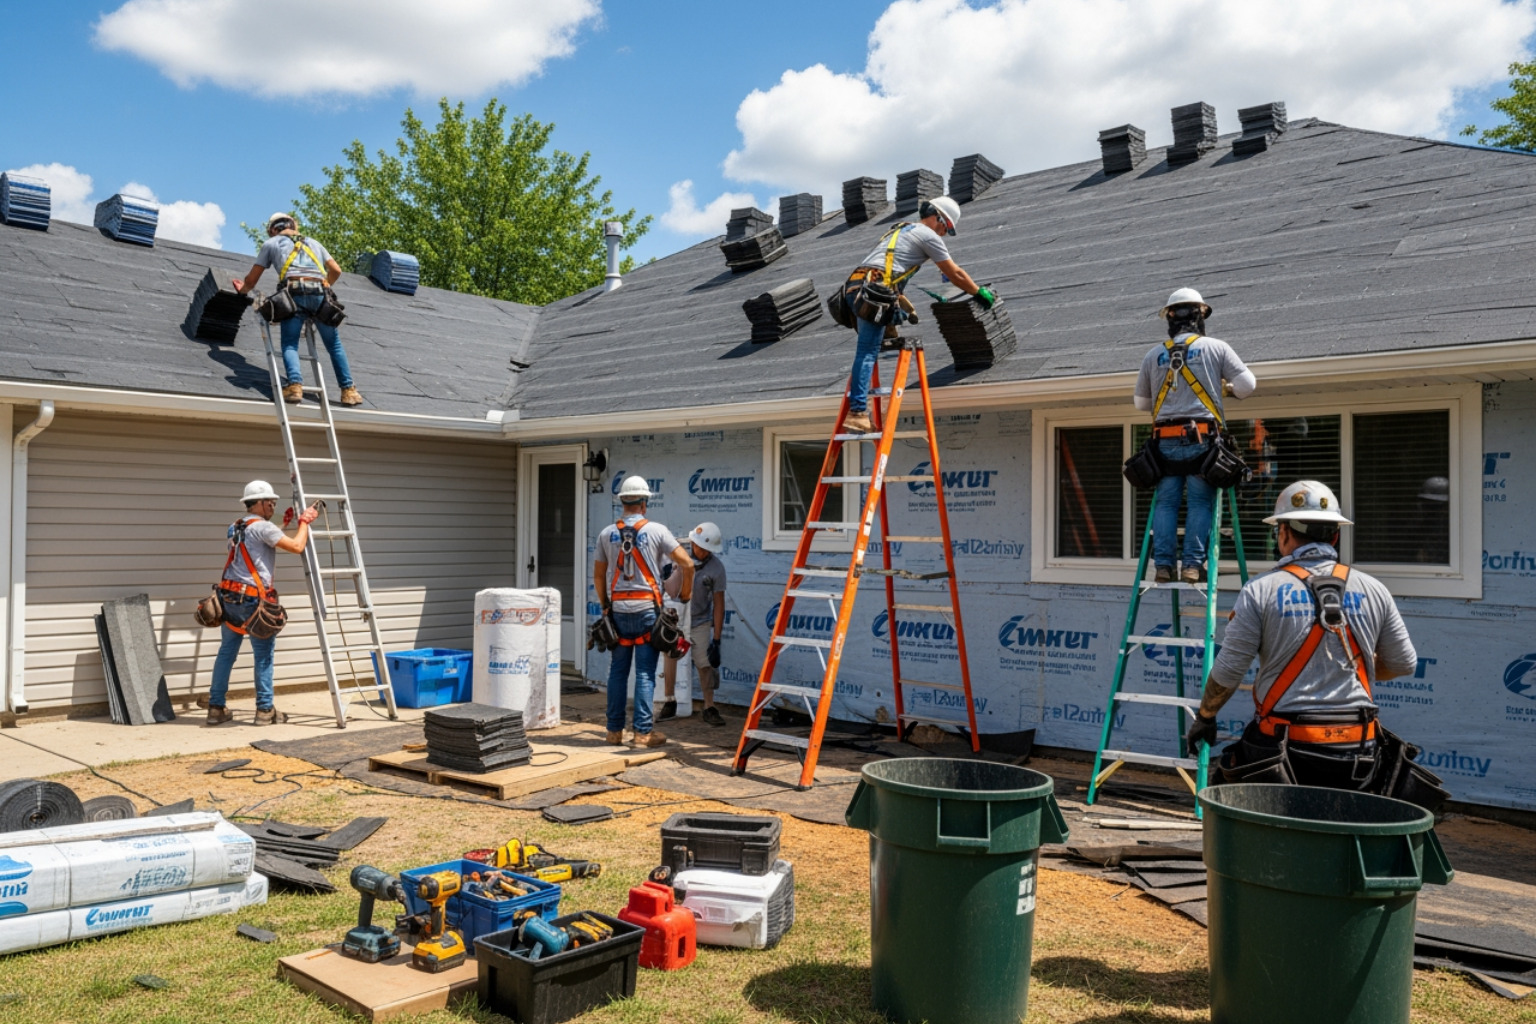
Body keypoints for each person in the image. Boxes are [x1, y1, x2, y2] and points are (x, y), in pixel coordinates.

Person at [1184, 480, 1439, 804]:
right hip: (1357, 753)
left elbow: (1229, 670)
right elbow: (1404, 663)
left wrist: (1205, 717)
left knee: (1222, 794)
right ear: (1334, 536)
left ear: (1284, 533)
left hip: (1284, 751)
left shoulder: (1261, 590)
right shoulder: (1374, 589)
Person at [1133, 288, 1256, 583]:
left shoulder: (1154, 355)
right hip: (1202, 442)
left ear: (1170, 318)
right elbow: (1247, 386)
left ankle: (1163, 566)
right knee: (1200, 503)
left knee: (1166, 504)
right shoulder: (1216, 348)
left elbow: (1142, 404)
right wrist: (1224, 389)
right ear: (1200, 315)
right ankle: (1191, 565)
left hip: (1164, 444)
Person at [840, 196, 992, 434]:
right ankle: (858, 413)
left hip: (856, 289)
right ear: (937, 218)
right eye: (946, 227)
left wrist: (899, 304)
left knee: (878, 338)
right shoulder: (928, 235)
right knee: (867, 352)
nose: (943, 234)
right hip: (872, 293)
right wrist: (978, 292)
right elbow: (955, 273)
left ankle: (887, 331)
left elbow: (891, 270)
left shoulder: (902, 229)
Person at [204, 480, 319, 725]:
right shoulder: (265, 528)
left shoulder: (235, 526)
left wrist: (283, 524)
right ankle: (265, 710)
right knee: (263, 656)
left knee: (226, 653)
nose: (274, 506)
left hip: (229, 599)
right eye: (272, 503)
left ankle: (216, 708)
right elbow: (297, 546)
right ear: (263, 502)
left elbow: (256, 540)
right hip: (254, 600)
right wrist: (304, 522)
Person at [593, 475, 695, 747]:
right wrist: (685, 594)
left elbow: (599, 576)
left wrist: (605, 605)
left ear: (623, 502)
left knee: (617, 671)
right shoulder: (658, 531)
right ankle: (642, 733)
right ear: (644, 503)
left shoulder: (606, 534)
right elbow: (687, 565)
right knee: (645, 673)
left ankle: (614, 732)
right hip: (647, 610)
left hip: (618, 611)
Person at [232, 212, 362, 407]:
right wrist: (325, 284)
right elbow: (336, 270)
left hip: (293, 294)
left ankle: (294, 387)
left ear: (272, 230)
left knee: (290, 343)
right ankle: (349, 391)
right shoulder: (314, 243)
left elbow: (252, 280)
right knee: (333, 344)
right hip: (319, 295)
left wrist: (242, 291)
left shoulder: (272, 244)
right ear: (294, 225)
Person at [659, 522, 729, 726]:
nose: (704, 553)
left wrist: (716, 640)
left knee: (704, 662)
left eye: (709, 550)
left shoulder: (716, 568)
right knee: (671, 657)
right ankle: (669, 701)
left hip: (699, 621)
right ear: (692, 542)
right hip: (675, 618)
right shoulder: (675, 554)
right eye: (701, 548)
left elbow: (719, 604)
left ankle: (709, 707)